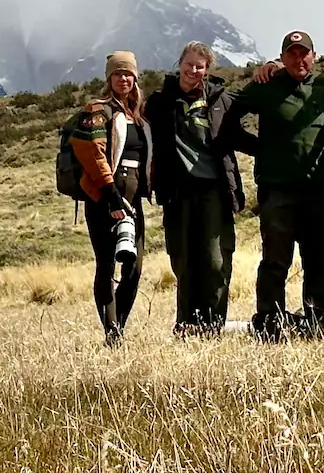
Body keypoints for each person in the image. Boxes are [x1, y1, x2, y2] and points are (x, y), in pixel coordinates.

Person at [218, 31, 324, 339]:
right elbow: (229, 113)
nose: (298, 59)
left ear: (314, 56)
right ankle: (270, 321)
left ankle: (318, 319)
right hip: (277, 189)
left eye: (304, 53)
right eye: (291, 53)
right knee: (276, 259)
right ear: (282, 57)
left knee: (318, 258)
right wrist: (258, 147)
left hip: (318, 188)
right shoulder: (266, 86)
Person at [143, 41, 245, 336]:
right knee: (183, 260)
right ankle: (186, 324)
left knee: (215, 260)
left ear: (207, 69)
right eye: (189, 64)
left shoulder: (220, 99)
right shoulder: (160, 102)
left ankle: (212, 325)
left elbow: (238, 134)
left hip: (214, 191)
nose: (193, 70)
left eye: (199, 66)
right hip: (178, 192)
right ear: (180, 64)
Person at [69, 51, 151, 346]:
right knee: (106, 265)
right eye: (117, 74)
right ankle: (112, 334)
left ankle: (118, 327)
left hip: (133, 202)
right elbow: (91, 152)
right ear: (109, 78)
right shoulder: (97, 110)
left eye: (128, 74)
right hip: (104, 199)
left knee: (134, 267)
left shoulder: (139, 117)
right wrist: (111, 195)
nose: (123, 79)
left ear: (135, 78)